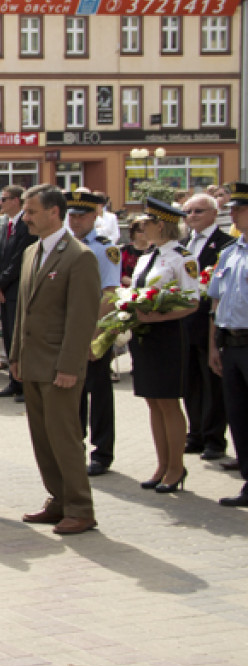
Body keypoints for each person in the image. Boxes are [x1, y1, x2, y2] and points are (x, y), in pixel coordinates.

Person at [11, 185, 102, 534]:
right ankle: (58, 499)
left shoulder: (79, 256)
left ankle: (80, 506)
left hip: (58, 365)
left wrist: (69, 366)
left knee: (65, 437)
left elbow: (81, 319)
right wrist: (16, 354)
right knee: (42, 437)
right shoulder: (32, 252)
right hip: (33, 361)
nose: (26, 218)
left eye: (32, 211)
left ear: (54, 212)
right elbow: (24, 310)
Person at [129, 198, 200, 493]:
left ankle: (175, 466)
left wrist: (159, 316)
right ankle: (162, 464)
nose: (141, 227)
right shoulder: (148, 256)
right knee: (152, 401)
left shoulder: (183, 258)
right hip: (145, 336)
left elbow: (192, 302)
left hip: (169, 335)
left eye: (146, 222)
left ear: (161, 224)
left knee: (169, 402)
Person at [62, 192, 122, 477]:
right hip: (70, 329)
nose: (75, 221)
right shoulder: (66, 245)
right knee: (72, 392)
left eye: (81, 216)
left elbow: (109, 293)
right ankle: (75, 446)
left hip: (93, 330)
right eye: (71, 215)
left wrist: (94, 336)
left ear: (95, 216)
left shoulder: (103, 249)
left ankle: (102, 452)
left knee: (98, 392)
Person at [180, 193, 234, 461]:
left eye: (198, 211)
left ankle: (214, 438)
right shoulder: (182, 244)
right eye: (188, 212)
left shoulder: (226, 245)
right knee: (190, 384)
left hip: (209, 323)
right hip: (184, 323)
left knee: (212, 384)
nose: (192, 217)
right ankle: (196, 433)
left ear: (214, 213)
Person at [208, 181, 248, 506]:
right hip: (230, 344)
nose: (232, 213)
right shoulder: (229, 253)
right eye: (232, 208)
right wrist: (213, 346)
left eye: (240, 208)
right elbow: (215, 302)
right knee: (238, 416)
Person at [0, 185, 36, 400]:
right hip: (3, 288)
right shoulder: (2, 224)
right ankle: (13, 381)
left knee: (19, 336)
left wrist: (1, 283)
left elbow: (19, 259)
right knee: (8, 336)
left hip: (16, 287)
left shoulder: (26, 225)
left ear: (17, 201)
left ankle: (25, 384)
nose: (1, 202)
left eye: (5, 198)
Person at [120, 217, 149, 286]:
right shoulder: (124, 250)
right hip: (126, 290)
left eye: (145, 230)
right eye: (139, 231)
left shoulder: (154, 250)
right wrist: (133, 282)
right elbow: (119, 272)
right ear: (133, 233)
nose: (143, 233)